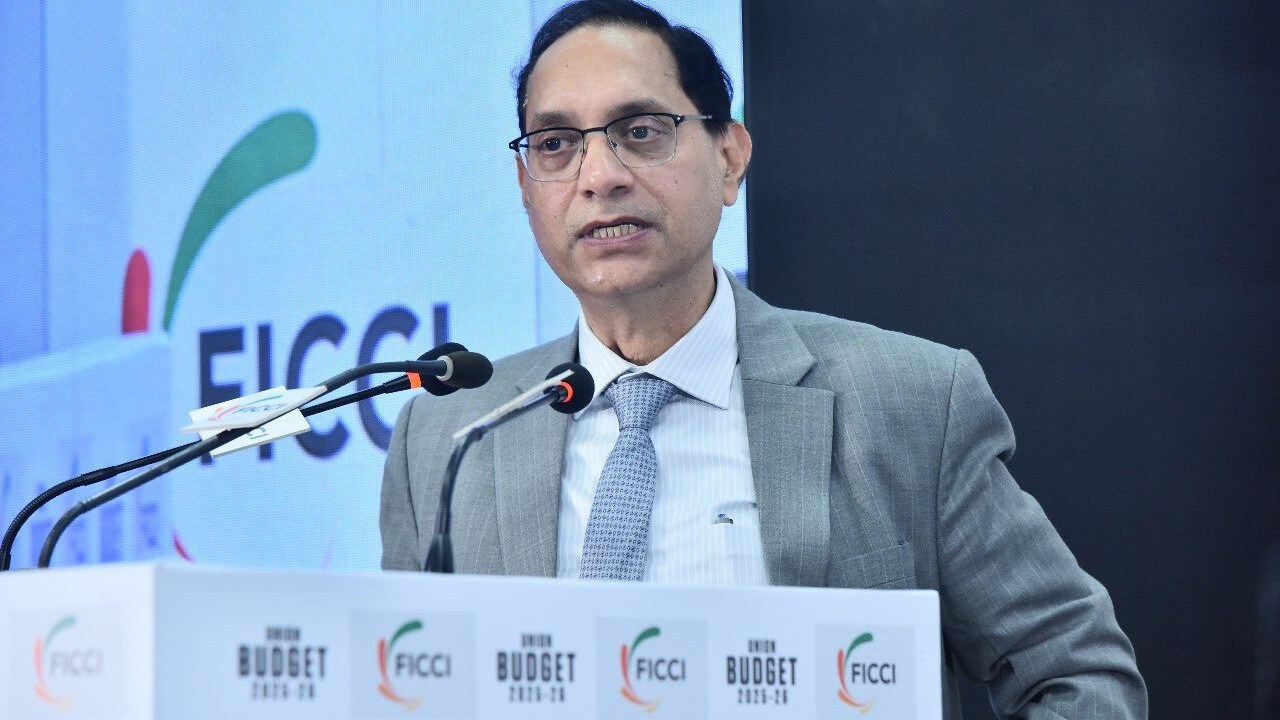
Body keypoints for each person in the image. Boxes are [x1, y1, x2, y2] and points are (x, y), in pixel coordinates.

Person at [381, 1, 1146, 716]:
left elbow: (1077, 672)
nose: (599, 175)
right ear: (525, 185)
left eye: (640, 131)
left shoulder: (910, 401)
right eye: (555, 144)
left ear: (729, 156)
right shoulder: (447, 441)